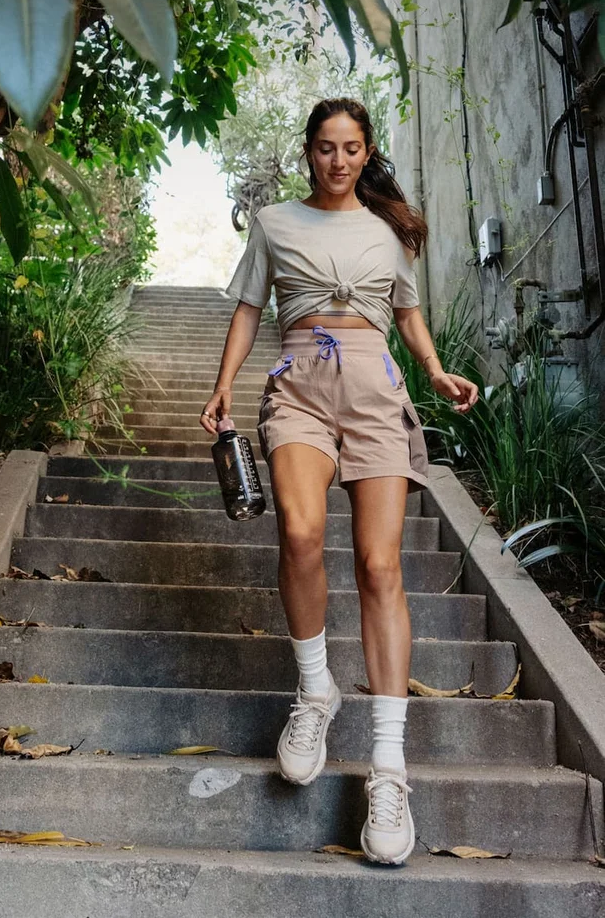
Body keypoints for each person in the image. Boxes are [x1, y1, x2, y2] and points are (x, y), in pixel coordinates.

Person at [199, 97, 479, 866]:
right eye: (326, 147)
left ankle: (389, 769)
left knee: (382, 565)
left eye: (352, 147)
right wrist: (224, 384)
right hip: (299, 384)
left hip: (376, 390)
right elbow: (250, 309)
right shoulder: (275, 224)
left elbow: (410, 312)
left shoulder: (389, 231)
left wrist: (434, 369)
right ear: (308, 151)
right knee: (298, 531)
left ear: (366, 151)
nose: (339, 160)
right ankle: (316, 689)